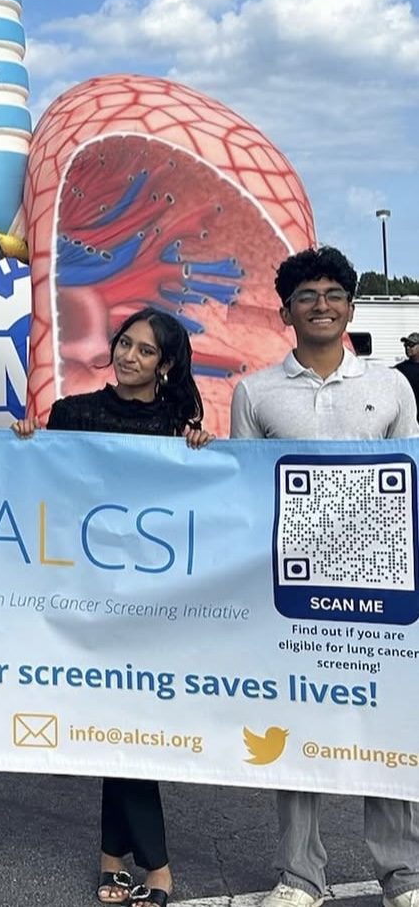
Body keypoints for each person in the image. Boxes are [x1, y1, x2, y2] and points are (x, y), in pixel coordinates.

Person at [230, 246, 419, 907]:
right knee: (296, 722)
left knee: (386, 724)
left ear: (351, 309)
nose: (321, 305)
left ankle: (404, 874)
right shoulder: (255, 392)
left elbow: (409, 483)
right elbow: (245, 491)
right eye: (306, 295)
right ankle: (299, 875)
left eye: (334, 294)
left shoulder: (391, 388)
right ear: (286, 312)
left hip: (382, 584)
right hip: (293, 587)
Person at [12, 306, 214, 907]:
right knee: (119, 726)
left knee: (132, 728)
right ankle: (154, 865)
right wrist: (26, 447)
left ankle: (115, 861)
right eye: (125, 343)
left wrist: (202, 452)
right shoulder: (71, 414)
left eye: (145, 350)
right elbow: (45, 491)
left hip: (154, 603)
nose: (129, 356)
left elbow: (195, 503)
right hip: (87, 598)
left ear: (166, 364)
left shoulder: (179, 426)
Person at [395, 332, 419, 410]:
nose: (407, 347)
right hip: (408, 412)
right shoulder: (400, 369)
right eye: (405, 345)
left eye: (411, 344)